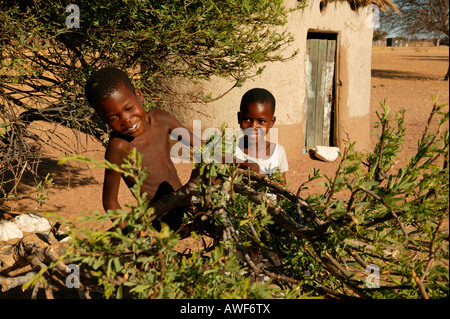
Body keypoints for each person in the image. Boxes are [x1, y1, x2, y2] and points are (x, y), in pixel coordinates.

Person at [85, 67, 199, 233]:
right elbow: (110, 202)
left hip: (185, 205)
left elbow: (204, 147)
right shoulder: (119, 147)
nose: (126, 120)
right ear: (101, 118)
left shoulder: (161, 119)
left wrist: (244, 163)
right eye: (113, 117)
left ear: (139, 95)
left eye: (129, 108)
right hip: (158, 220)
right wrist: (132, 238)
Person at [235, 88, 289, 186]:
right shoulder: (230, 149)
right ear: (239, 118)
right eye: (247, 119)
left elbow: (282, 189)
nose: (253, 126)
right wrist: (247, 165)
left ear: (272, 122)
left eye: (261, 121)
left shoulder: (278, 152)